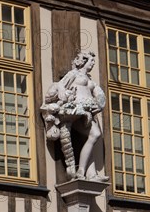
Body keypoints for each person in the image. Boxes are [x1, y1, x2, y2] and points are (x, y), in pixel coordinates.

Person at [41, 50, 109, 181]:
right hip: (76, 111)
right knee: (94, 134)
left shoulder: (89, 79)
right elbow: (59, 85)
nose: (93, 63)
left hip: (87, 112)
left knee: (90, 138)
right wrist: (63, 93)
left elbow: (98, 94)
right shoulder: (73, 74)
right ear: (83, 61)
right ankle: (82, 171)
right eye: (91, 60)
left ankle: (91, 174)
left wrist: (99, 104)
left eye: (94, 61)